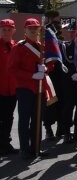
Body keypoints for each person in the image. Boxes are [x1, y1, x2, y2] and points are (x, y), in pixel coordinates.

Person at [8, 18, 49, 159]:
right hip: (25, 88)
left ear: (39, 30)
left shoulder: (42, 46)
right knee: (25, 120)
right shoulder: (19, 47)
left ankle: (36, 147)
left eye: (36, 28)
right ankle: (24, 149)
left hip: (40, 88)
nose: (33, 30)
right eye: (30, 28)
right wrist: (32, 75)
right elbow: (12, 69)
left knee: (38, 120)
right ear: (25, 30)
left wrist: (46, 68)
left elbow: (49, 65)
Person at [0, 18, 18, 156]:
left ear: (14, 31)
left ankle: (5, 143)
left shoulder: (16, 46)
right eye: (4, 29)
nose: (6, 32)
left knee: (8, 117)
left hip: (12, 89)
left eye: (9, 29)